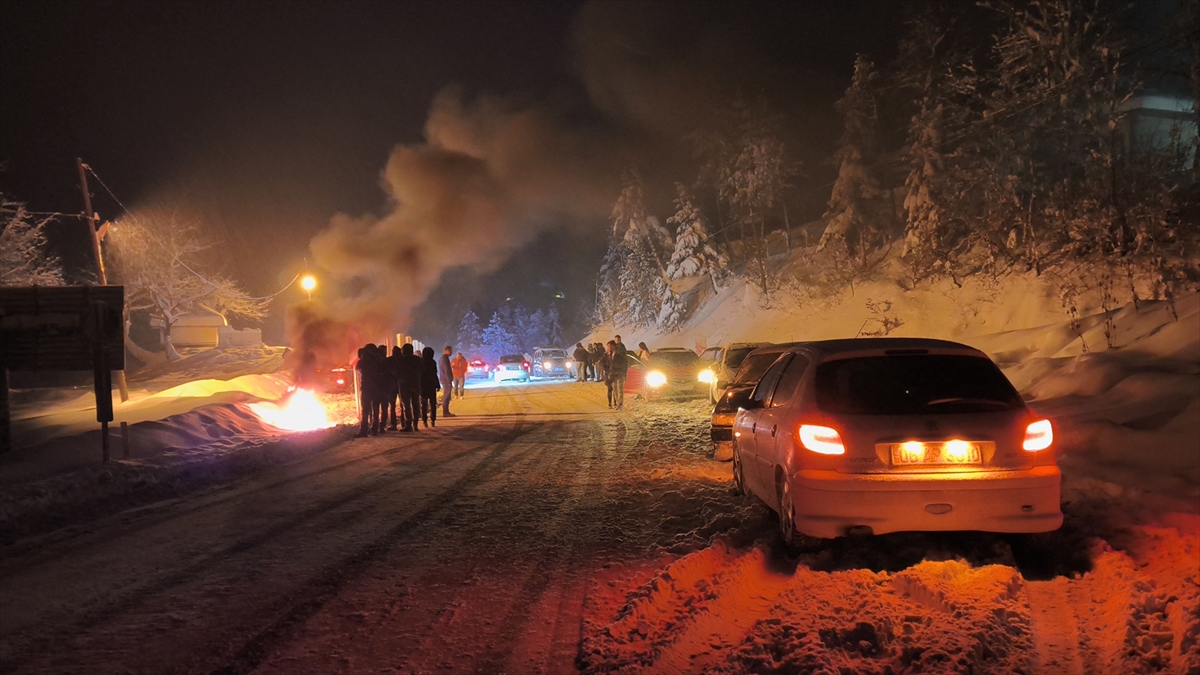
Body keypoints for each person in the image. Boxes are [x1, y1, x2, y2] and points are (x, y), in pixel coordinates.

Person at [396, 343, 422, 432]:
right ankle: (416, 424)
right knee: (416, 404)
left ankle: (408, 424)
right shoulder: (418, 360)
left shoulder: (400, 360)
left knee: (406, 405)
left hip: (404, 385)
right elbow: (423, 371)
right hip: (415, 384)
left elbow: (396, 372)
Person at [355, 346, 375, 438]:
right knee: (375, 408)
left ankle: (364, 430)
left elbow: (357, 368)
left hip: (366, 388)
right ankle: (375, 428)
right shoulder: (376, 361)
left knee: (366, 409)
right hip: (377, 388)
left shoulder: (362, 362)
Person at [421, 346, 441, 427]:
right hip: (431, 385)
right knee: (433, 404)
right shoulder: (433, 362)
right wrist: (437, 385)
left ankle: (424, 420)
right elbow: (434, 374)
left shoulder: (421, 362)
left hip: (423, 385)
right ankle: (433, 420)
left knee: (424, 404)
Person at [610, 336, 629, 410]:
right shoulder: (610, 352)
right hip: (613, 374)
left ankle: (620, 404)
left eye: (619, 339)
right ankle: (617, 403)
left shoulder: (622, 349)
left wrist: (624, 372)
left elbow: (625, 362)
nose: (618, 341)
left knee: (620, 389)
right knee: (614, 389)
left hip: (620, 372)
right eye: (616, 340)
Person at [439, 345, 455, 417]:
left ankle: (446, 411)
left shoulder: (442, 358)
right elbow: (447, 370)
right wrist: (449, 380)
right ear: (447, 351)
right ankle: (445, 412)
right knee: (447, 396)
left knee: (447, 395)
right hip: (446, 380)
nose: (452, 352)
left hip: (444, 379)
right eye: (451, 350)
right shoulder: (445, 359)